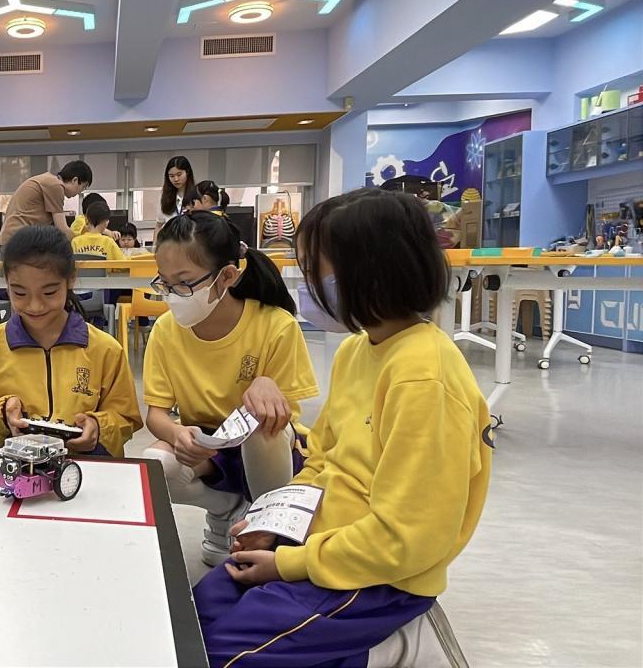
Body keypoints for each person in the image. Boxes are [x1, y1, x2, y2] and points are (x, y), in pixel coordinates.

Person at [194, 189, 493, 667]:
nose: (307, 285)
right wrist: (274, 525)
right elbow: (322, 459)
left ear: (370, 273)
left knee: (220, 655)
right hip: (321, 543)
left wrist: (289, 564)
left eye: (315, 271)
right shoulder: (358, 349)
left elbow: (408, 540)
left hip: (379, 579)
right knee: (192, 615)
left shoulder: (424, 377)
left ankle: (386, 650)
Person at [140, 210, 316, 566]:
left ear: (227, 276)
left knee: (262, 426)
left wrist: (266, 387)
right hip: (206, 445)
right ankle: (227, 512)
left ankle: (265, 525)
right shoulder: (165, 331)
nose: (172, 295)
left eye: (184, 283)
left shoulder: (275, 325)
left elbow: (282, 416)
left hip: (269, 447)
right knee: (154, 466)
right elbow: (156, 415)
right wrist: (177, 434)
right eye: (164, 283)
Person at [0, 225, 142, 457]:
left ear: (70, 280)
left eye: (49, 293)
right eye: (20, 293)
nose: (35, 306)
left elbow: (125, 417)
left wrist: (98, 427)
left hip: (84, 467)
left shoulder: (105, 350)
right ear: (7, 285)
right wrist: (2, 415)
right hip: (13, 468)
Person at [0, 160, 92, 249]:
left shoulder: (49, 181)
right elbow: (62, 228)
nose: (80, 192)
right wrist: (82, 244)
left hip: (13, 240)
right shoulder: (55, 186)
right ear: (75, 180)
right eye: (83, 187)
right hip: (18, 242)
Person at [157, 155, 196, 227]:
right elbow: (159, 226)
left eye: (179, 175)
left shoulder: (196, 195)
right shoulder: (164, 196)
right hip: (169, 234)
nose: (176, 179)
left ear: (187, 172)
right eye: (171, 176)